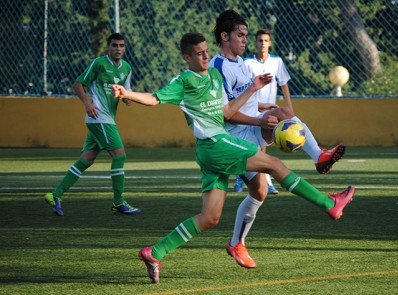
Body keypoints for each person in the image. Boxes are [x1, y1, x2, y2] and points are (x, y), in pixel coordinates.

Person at [111, 32, 355, 284]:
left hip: (211, 151)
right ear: (187, 57)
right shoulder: (183, 81)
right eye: (199, 53)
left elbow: (226, 110)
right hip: (215, 144)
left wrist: (253, 89)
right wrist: (127, 93)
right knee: (274, 164)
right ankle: (329, 204)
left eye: (207, 50)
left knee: (209, 218)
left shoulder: (214, 76)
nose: (206, 56)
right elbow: (154, 99)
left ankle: (156, 252)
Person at [209, 10, 346, 269]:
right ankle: (321, 168)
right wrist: (259, 116)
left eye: (246, 36)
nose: (245, 41)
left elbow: (242, 101)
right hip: (234, 136)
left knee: (284, 116)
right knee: (256, 191)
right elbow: (225, 113)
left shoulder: (240, 63)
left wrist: (260, 106)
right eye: (240, 35)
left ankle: (320, 157)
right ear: (225, 36)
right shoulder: (218, 67)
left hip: (248, 129)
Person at [44, 32, 141, 216]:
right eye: (114, 45)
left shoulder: (126, 68)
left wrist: (127, 99)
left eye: (121, 45)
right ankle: (118, 202)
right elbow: (78, 83)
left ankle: (55, 194)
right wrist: (87, 104)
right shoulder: (99, 63)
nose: (118, 49)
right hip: (99, 117)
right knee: (119, 155)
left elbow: (126, 91)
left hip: (106, 119)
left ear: (125, 48)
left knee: (87, 159)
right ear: (108, 47)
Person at [234, 28, 294, 194]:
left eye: (265, 41)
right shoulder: (247, 64)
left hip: (269, 111)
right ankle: (264, 183)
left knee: (262, 148)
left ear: (270, 43)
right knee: (258, 149)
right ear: (256, 43)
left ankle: (247, 175)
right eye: (260, 40)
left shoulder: (277, 62)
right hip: (252, 112)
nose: (262, 44)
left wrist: (289, 107)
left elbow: (284, 85)